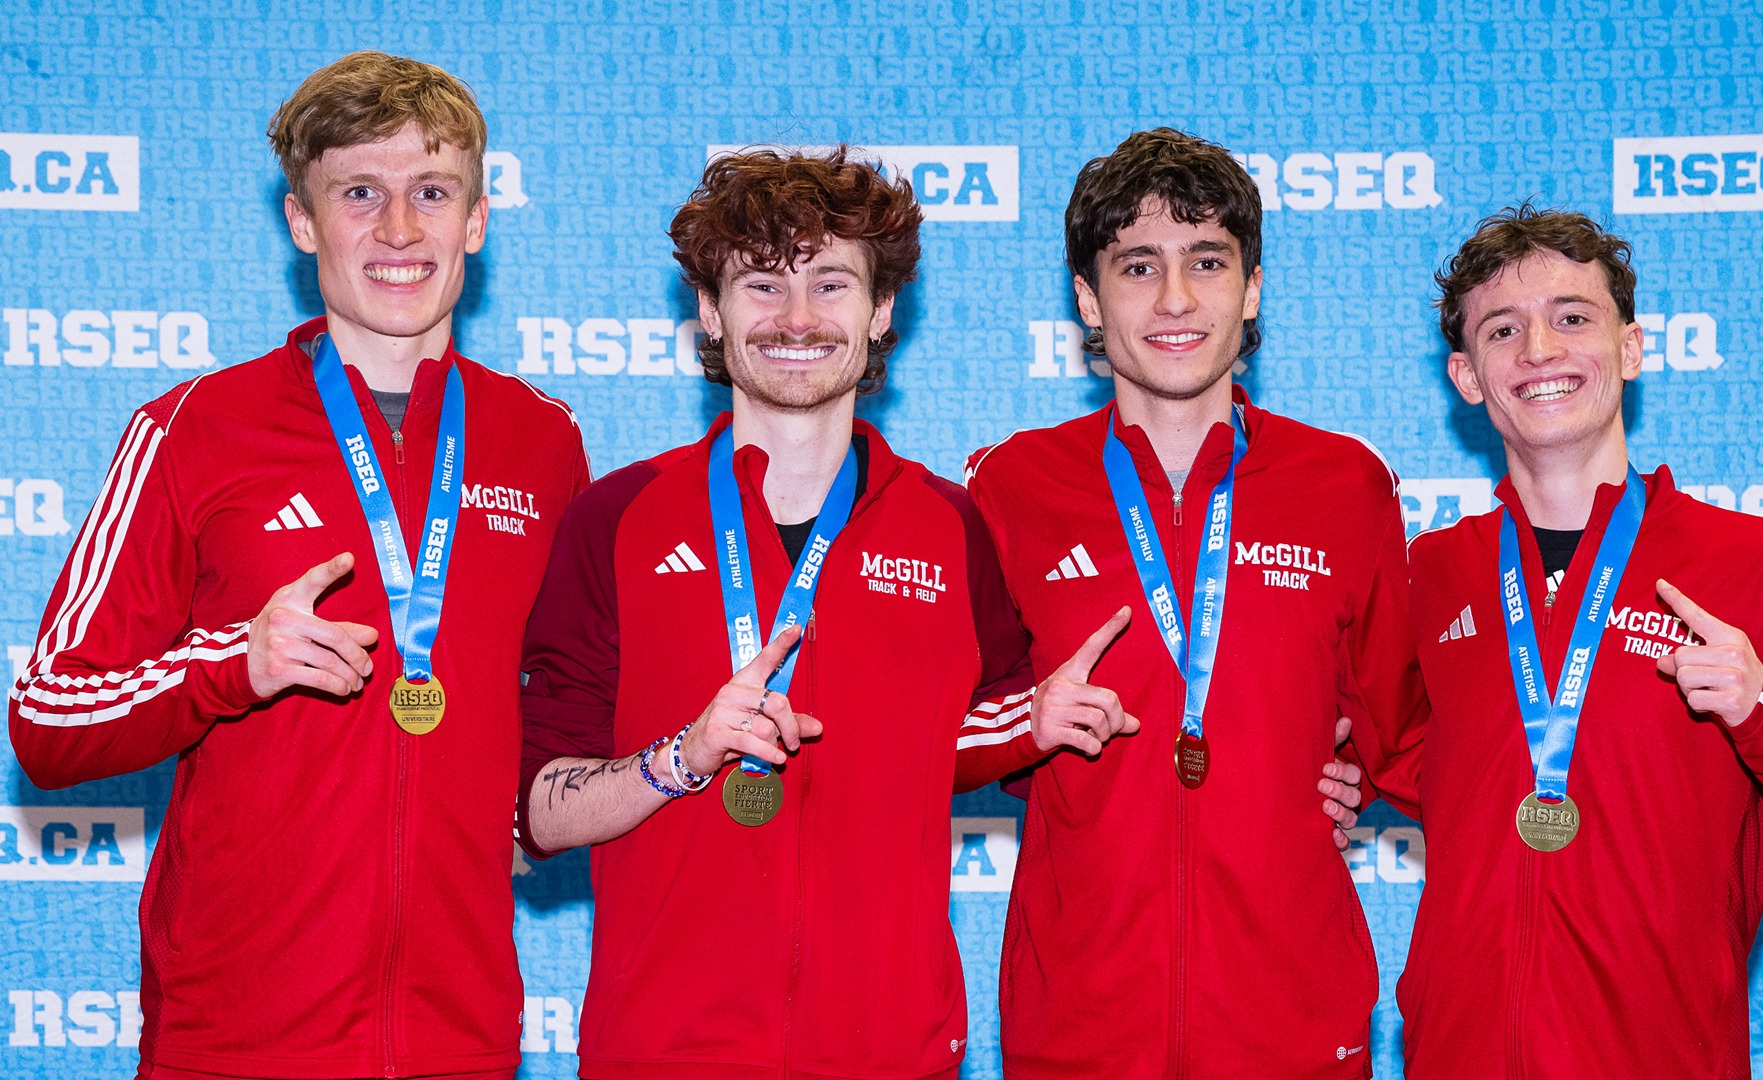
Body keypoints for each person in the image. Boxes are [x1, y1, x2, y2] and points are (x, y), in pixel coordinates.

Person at [8, 52, 590, 1080]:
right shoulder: (192, 429)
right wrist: (234, 662)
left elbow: (566, 703)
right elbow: (48, 719)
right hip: (236, 1041)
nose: (399, 229)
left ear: (477, 220)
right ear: (302, 222)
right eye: (359, 193)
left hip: (462, 1041)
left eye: (431, 192)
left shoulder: (543, 441)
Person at [513, 148, 1105, 1078]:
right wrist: (682, 758)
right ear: (711, 310)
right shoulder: (616, 520)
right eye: (762, 283)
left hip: (893, 1054)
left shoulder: (953, 528)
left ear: (880, 310)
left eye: (831, 283)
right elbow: (540, 813)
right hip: (665, 1056)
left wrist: (1313, 761)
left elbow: (989, 742)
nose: (797, 318)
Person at [1392, 203, 1763, 1078]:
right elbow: (1380, 745)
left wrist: (1762, 710)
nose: (1540, 350)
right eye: (1502, 329)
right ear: (1468, 377)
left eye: (1572, 318)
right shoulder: (1428, 574)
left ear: (1631, 349)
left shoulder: (1752, 561)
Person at [955, 127, 1424, 1078]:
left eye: (1207, 261)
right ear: (1088, 299)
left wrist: (1348, 777)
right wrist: (1026, 727)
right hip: (1079, 1033)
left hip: (1293, 1028)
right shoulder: (1008, 487)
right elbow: (930, 736)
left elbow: (1405, 722)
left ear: (1252, 290)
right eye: (1138, 266)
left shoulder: (1346, 484)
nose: (1175, 298)